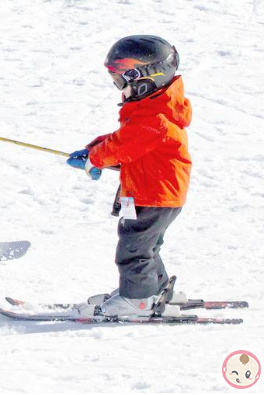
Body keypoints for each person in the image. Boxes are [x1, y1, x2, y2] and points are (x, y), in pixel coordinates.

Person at [66, 35, 192, 317]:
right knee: (146, 246)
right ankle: (154, 290)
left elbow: (124, 144)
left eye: (121, 80)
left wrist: (97, 158)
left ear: (145, 77)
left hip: (154, 196)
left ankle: (138, 299)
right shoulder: (153, 110)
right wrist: (92, 150)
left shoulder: (153, 119)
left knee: (133, 249)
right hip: (155, 193)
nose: (119, 88)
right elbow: (125, 141)